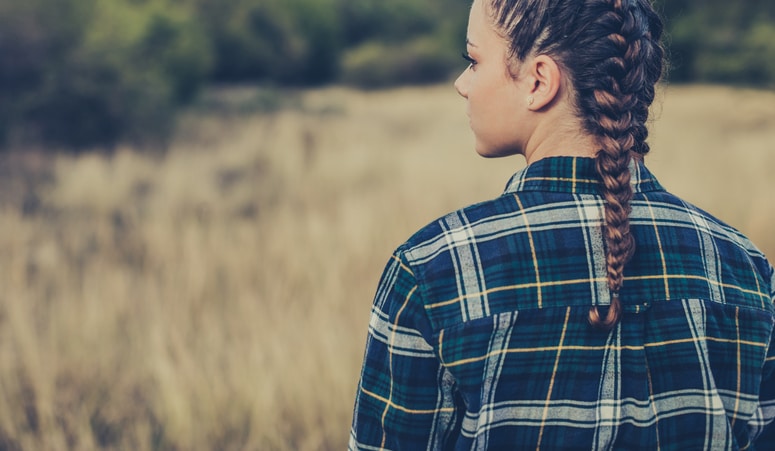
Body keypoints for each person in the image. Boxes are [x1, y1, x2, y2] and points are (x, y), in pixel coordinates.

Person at [349, 0, 775, 449]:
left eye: (473, 61)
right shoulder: (746, 269)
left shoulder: (431, 271)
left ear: (539, 81)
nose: (462, 84)